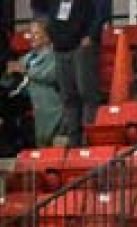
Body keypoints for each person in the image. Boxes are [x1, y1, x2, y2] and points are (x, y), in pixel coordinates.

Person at [43, 0, 101, 148]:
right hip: (60, 49)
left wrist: (91, 36)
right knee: (68, 97)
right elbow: (49, 18)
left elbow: (100, 15)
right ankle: (73, 140)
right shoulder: (55, 3)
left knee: (87, 94)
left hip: (80, 49)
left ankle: (90, 139)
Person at [15, 20, 62, 147]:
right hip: (31, 111)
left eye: (36, 33)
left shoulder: (57, 55)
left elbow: (51, 75)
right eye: (30, 33)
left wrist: (26, 71)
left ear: (47, 36)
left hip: (53, 112)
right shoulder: (28, 57)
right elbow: (15, 73)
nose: (31, 37)